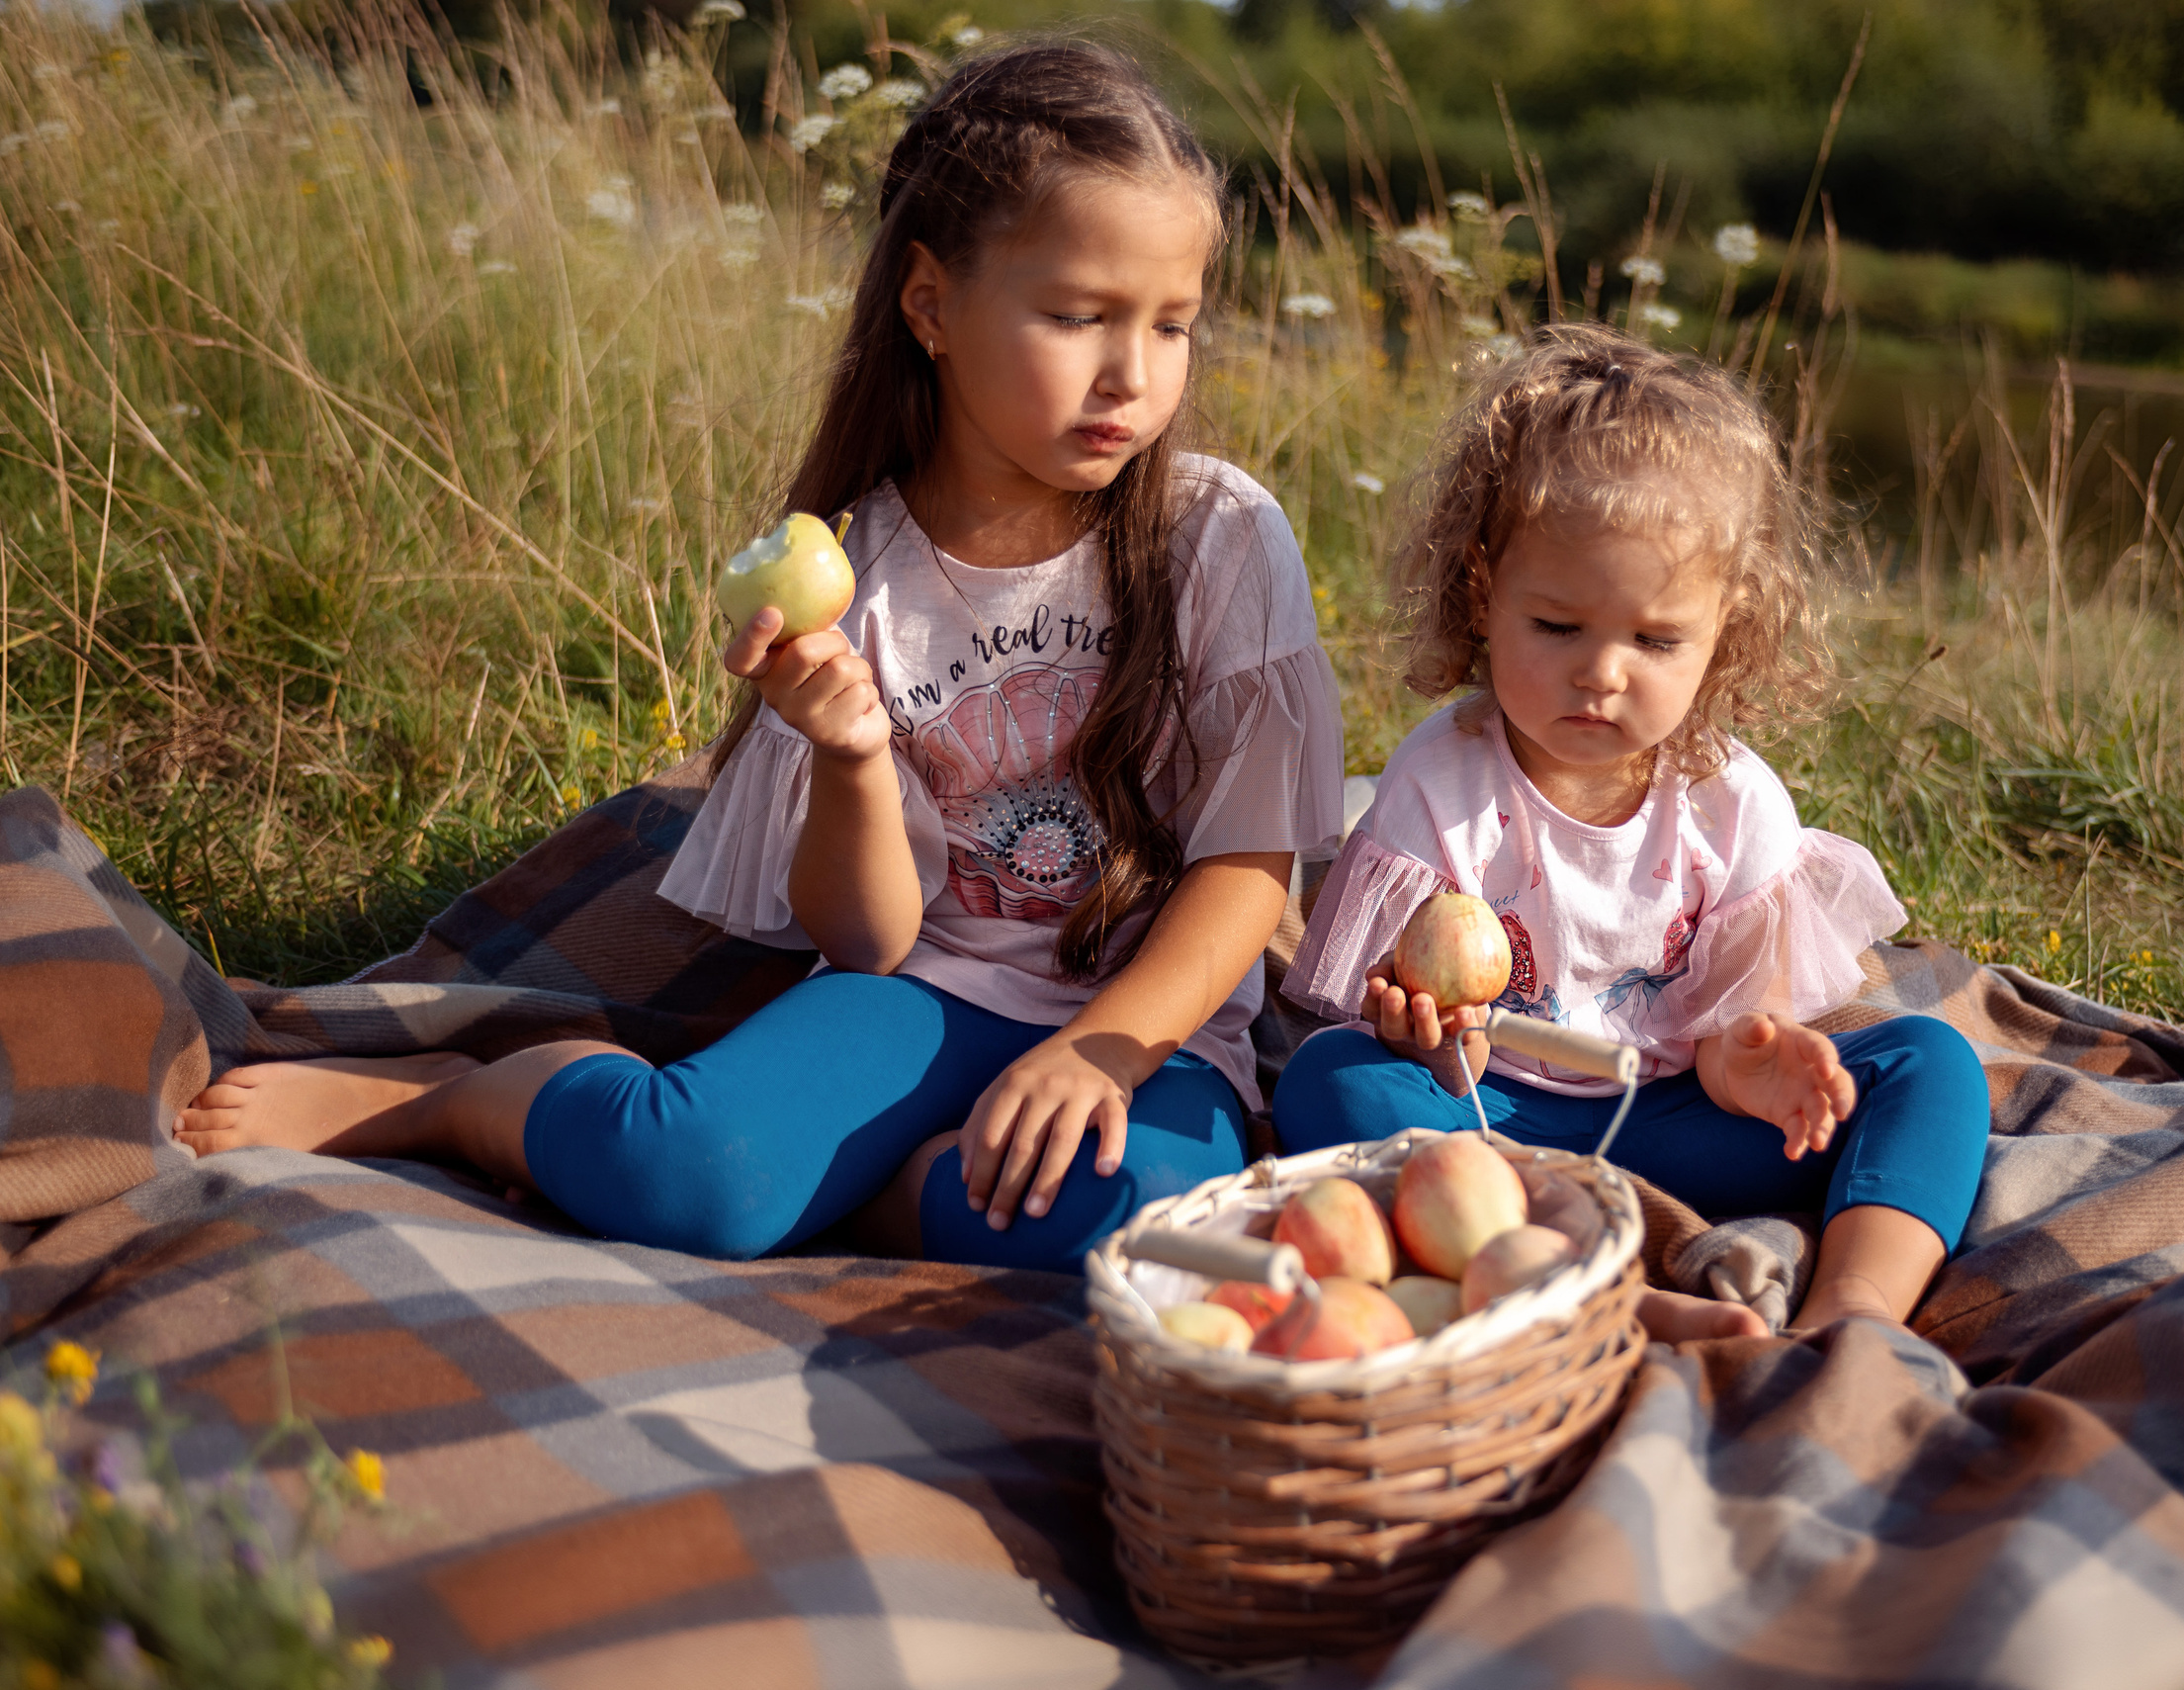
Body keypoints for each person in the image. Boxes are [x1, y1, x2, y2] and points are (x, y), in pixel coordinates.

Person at [176, 42, 1346, 1274]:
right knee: (691, 1177)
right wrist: (844, 756)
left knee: (1125, 1224)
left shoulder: (1213, 534)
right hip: (930, 991)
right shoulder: (856, 571)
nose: (1133, 375)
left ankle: (883, 1190)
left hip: (1151, 1030)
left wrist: (1101, 1047)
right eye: (1075, 316)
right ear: (932, 303)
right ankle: (465, 1100)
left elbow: (1249, 864)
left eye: (1172, 326)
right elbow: (868, 943)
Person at [1274, 325, 1987, 1340]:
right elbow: (1440, 1050)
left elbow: (1733, 1041)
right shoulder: (1440, 782)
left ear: (1724, 628)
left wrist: (1762, 1060)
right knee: (1330, 1078)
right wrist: (1425, 1040)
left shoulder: (1732, 802)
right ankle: (1572, 1290)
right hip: (1496, 1126)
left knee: (1929, 1063)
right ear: (1484, 594)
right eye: (1558, 627)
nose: (1602, 671)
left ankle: (1851, 1309)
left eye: (1655, 639)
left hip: (1672, 1117)